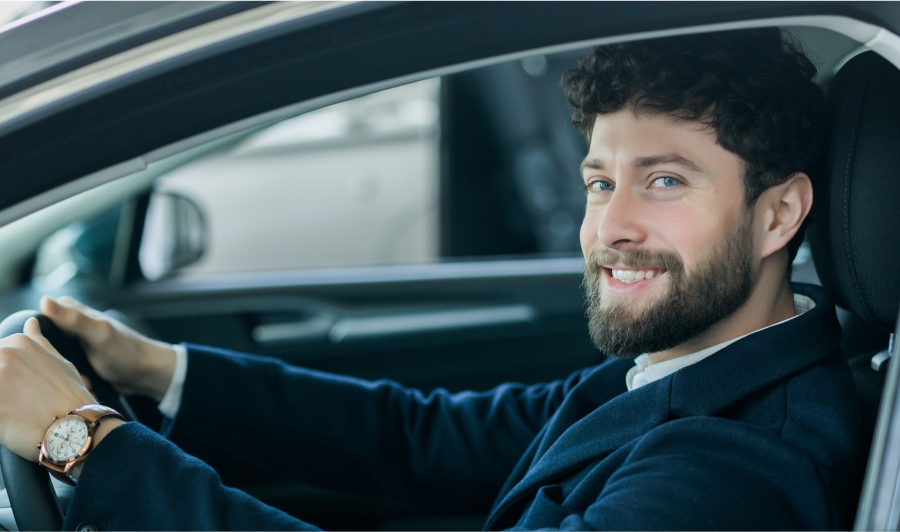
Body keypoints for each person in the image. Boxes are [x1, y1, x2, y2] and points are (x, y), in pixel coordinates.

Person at [0, 28, 864, 532]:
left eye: (665, 180)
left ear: (779, 214)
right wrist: (151, 367)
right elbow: (415, 436)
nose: (612, 226)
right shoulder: (692, 367)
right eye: (601, 181)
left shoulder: (735, 466)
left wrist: (84, 440)